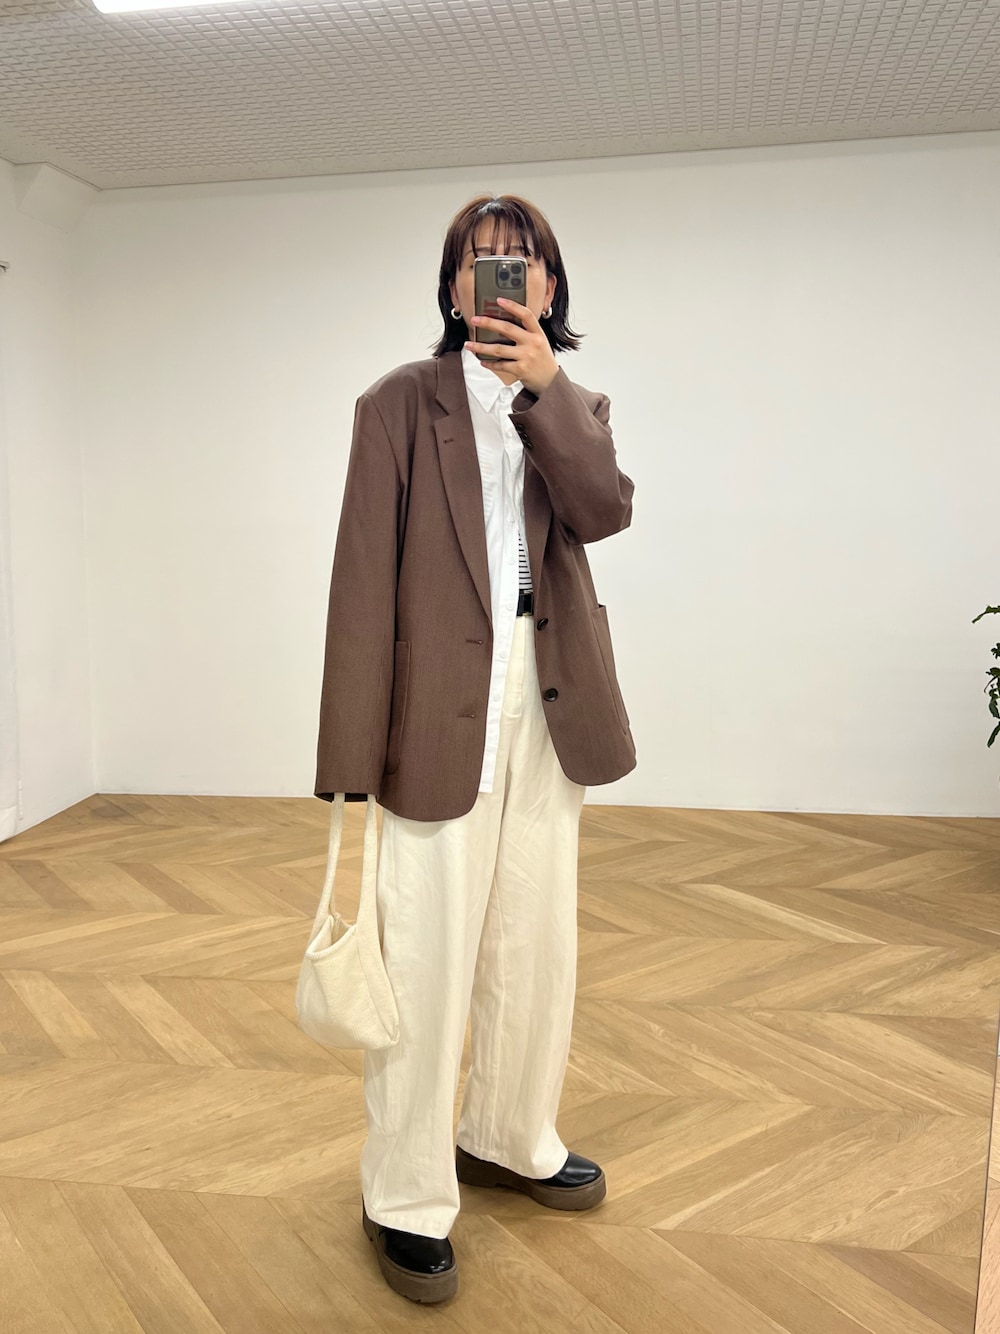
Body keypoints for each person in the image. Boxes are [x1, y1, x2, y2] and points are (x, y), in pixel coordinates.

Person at [314, 193, 636, 1304]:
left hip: (549, 703)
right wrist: (349, 755)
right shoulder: (398, 404)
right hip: (435, 707)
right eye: (480, 260)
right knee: (426, 958)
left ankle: (508, 1134)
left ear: (550, 284)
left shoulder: (575, 405)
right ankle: (404, 1192)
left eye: (522, 260)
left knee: (533, 943)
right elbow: (362, 584)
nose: (502, 275)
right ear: (452, 287)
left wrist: (544, 390)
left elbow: (603, 512)